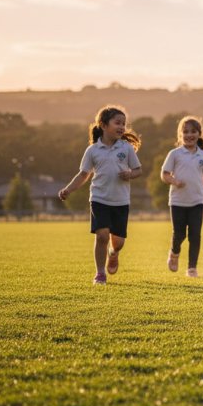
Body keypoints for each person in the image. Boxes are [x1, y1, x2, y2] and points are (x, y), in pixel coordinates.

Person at [58, 105, 142, 285]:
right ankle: (100, 274)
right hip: (99, 199)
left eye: (124, 124)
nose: (122, 127)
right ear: (103, 125)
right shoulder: (92, 151)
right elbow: (83, 174)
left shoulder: (126, 148)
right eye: (117, 123)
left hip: (120, 201)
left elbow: (138, 170)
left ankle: (114, 253)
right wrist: (68, 189)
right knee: (102, 236)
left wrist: (130, 174)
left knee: (118, 242)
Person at [161, 116, 203, 278]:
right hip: (177, 202)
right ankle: (174, 253)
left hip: (196, 202)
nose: (189, 135)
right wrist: (174, 181)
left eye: (193, 132)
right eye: (186, 132)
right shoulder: (175, 154)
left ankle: (192, 268)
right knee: (179, 234)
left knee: (195, 235)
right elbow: (164, 174)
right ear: (180, 135)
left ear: (199, 134)